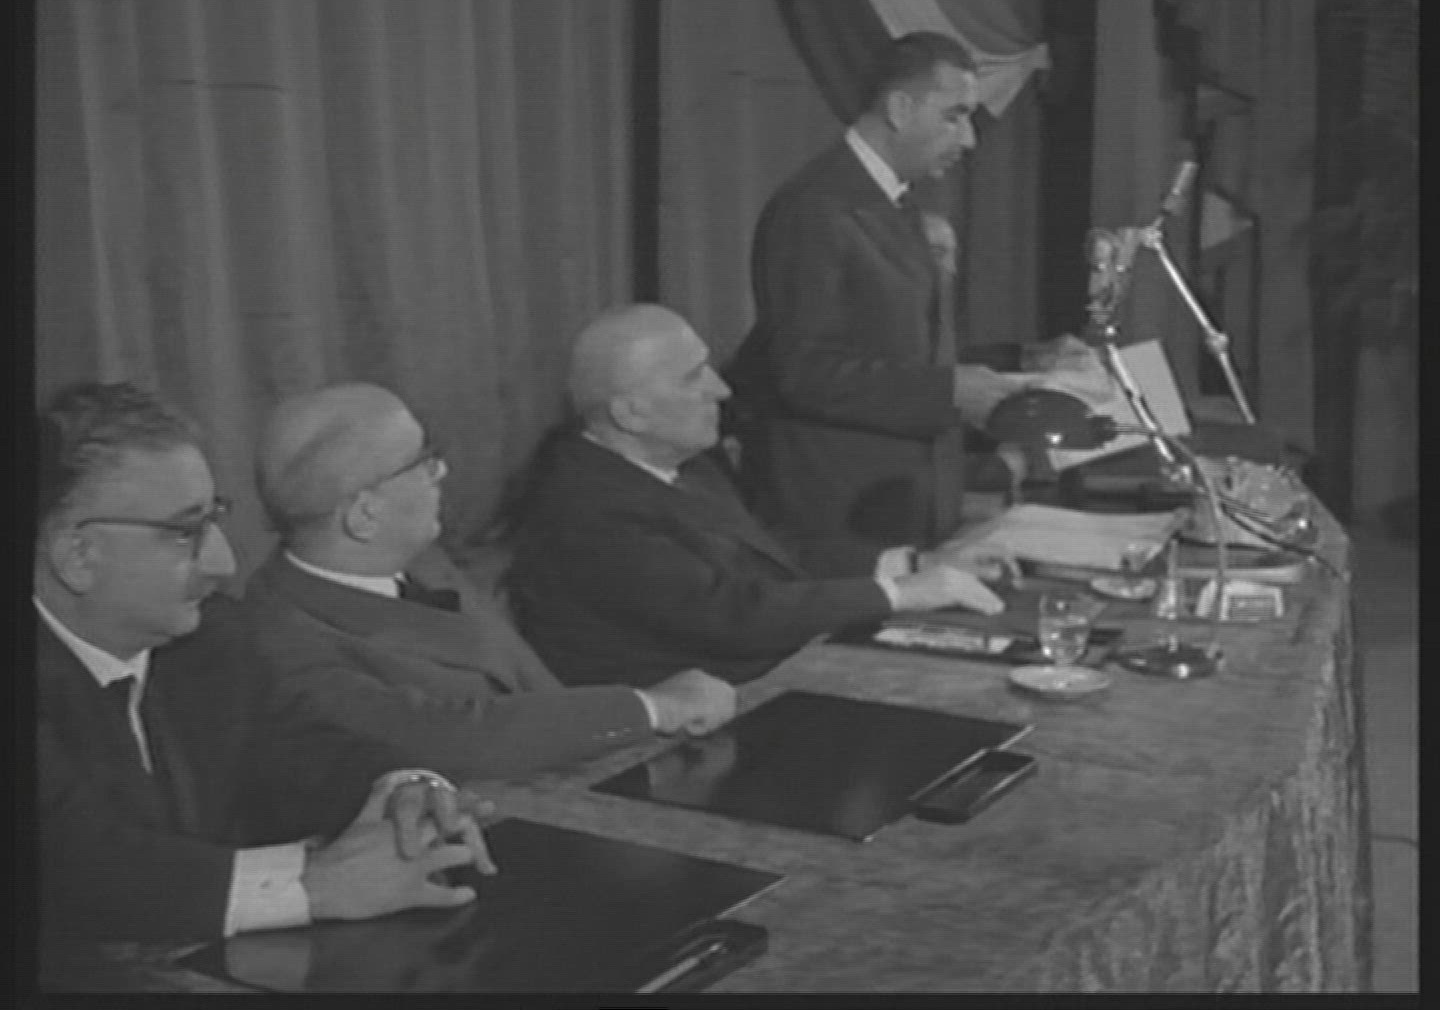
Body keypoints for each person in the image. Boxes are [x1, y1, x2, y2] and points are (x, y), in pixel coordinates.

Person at [35, 382, 493, 974]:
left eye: (213, 519)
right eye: (184, 532)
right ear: (76, 554)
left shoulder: (213, 637)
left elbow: (307, 752)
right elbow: (81, 869)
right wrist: (312, 886)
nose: (221, 563)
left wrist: (406, 790)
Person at [242, 382, 736, 786]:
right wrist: (653, 707)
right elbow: (452, 736)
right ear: (365, 515)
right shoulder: (279, 642)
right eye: (422, 462)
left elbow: (526, 683)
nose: (442, 472)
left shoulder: (421, 558)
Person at [726, 30, 1091, 575]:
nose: (969, 138)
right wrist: (950, 391)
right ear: (899, 108)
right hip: (844, 519)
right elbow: (804, 373)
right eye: (954, 116)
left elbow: (899, 347)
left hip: (903, 506)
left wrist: (1021, 360)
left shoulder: (892, 203)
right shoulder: (816, 208)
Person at [505, 304, 1017, 688]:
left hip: (768, 678)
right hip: (683, 729)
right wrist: (900, 594)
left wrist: (909, 564)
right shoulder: (585, 509)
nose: (721, 389)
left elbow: (769, 552)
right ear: (630, 413)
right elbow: (731, 616)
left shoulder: (684, 463)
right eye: (692, 378)